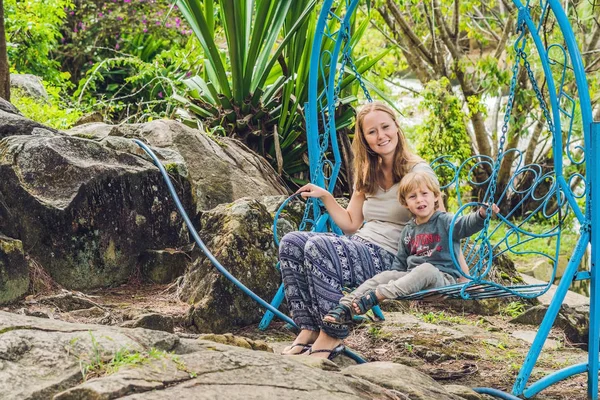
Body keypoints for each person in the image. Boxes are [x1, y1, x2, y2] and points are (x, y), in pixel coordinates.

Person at [278, 101, 446, 359]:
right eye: (372, 132)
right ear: (364, 139)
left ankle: (331, 335)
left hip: (392, 257)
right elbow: (351, 224)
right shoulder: (368, 171)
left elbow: (439, 222)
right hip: (362, 245)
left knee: (318, 247)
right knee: (291, 242)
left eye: (385, 127)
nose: (381, 136)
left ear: (397, 127)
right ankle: (309, 329)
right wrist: (326, 197)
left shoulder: (418, 171)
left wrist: (444, 268)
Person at [320, 170, 499, 340]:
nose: (419, 200)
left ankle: (378, 296)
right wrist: (393, 277)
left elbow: (466, 224)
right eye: (413, 197)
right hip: (412, 280)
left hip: (442, 280)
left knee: (426, 269)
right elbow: (400, 262)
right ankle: (345, 306)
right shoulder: (408, 230)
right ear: (406, 203)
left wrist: (481, 214)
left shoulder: (445, 221)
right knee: (386, 275)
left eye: (424, 194)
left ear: (436, 196)